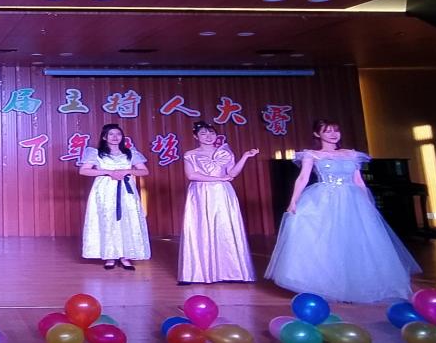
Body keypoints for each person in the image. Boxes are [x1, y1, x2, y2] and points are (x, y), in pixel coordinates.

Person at [265, 119, 421, 302]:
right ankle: (325, 284)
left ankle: (358, 284)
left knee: (356, 241)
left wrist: (368, 202)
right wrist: (293, 201)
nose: (333, 134)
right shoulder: (312, 155)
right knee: (325, 240)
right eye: (327, 131)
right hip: (324, 198)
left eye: (336, 130)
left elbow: (358, 181)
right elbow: (302, 178)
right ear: (317, 134)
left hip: (352, 200)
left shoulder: (351, 154)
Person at [178, 121, 258, 284]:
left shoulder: (225, 152)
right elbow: (191, 175)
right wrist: (218, 179)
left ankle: (232, 272)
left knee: (224, 227)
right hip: (200, 192)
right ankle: (196, 274)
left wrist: (245, 157)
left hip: (222, 192)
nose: (208, 137)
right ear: (196, 137)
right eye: (203, 134)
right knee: (201, 228)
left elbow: (232, 173)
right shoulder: (190, 154)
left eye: (211, 133)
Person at [77, 123, 151, 270]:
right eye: (111, 134)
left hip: (126, 192)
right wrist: (109, 172)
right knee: (107, 219)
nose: (115, 137)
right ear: (104, 137)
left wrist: (127, 171)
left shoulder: (130, 153)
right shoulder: (96, 153)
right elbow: (84, 171)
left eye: (118, 134)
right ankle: (109, 255)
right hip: (104, 191)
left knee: (127, 219)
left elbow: (144, 171)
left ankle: (125, 256)